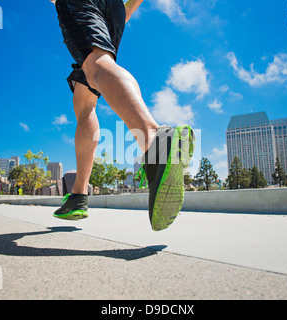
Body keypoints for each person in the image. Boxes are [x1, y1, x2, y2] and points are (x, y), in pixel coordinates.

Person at [51, 0, 195, 231]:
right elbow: (125, 11)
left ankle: (154, 138)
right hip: (115, 9)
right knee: (85, 98)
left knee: (96, 64)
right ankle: (78, 193)